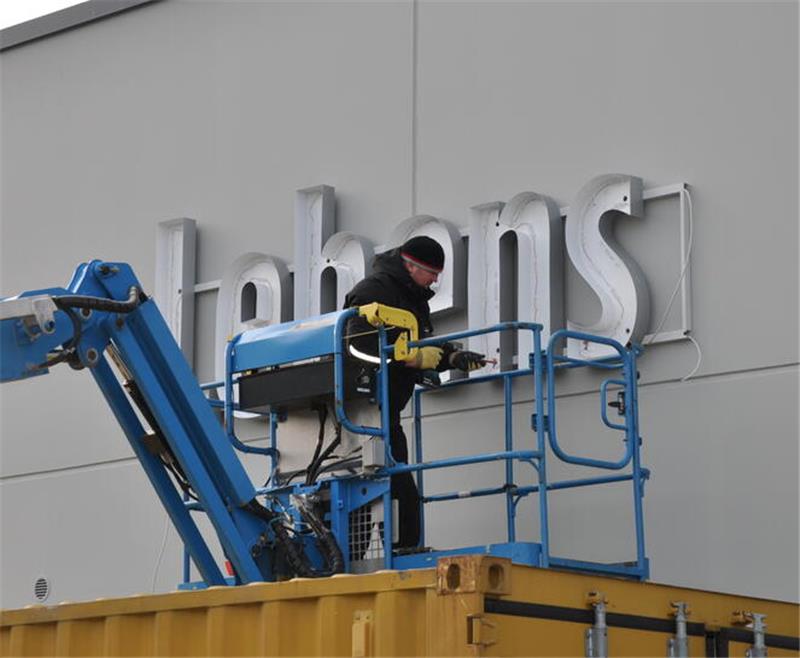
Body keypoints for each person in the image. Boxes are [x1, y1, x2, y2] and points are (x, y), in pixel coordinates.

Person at [343, 236, 485, 549]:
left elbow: (417, 345)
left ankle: (371, 554)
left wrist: (450, 357)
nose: (436, 280)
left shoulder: (411, 298)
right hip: (363, 412)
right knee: (388, 487)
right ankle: (397, 553)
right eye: (432, 272)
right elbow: (356, 347)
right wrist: (408, 357)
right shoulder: (373, 291)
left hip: (385, 413)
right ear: (411, 266)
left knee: (385, 486)